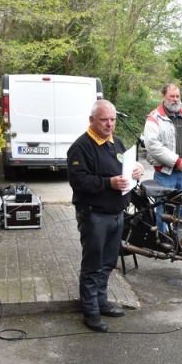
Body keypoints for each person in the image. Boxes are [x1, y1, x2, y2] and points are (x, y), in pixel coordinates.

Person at [67, 99, 145, 332]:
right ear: (92, 120)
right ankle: (90, 311)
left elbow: (125, 167)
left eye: (112, 120)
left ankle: (101, 301)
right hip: (94, 215)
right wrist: (108, 183)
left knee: (108, 262)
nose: (109, 124)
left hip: (116, 213)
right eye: (104, 120)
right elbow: (79, 181)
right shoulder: (81, 147)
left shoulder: (115, 142)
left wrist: (137, 170)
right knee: (93, 265)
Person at [142, 84, 182, 227]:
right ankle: (162, 239)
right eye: (171, 96)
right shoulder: (154, 117)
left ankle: (180, 239)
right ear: (163, 96)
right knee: (163, 212)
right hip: (165, 174)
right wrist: (176, 161)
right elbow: (152, 145)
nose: (175, 99)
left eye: (177, 96)